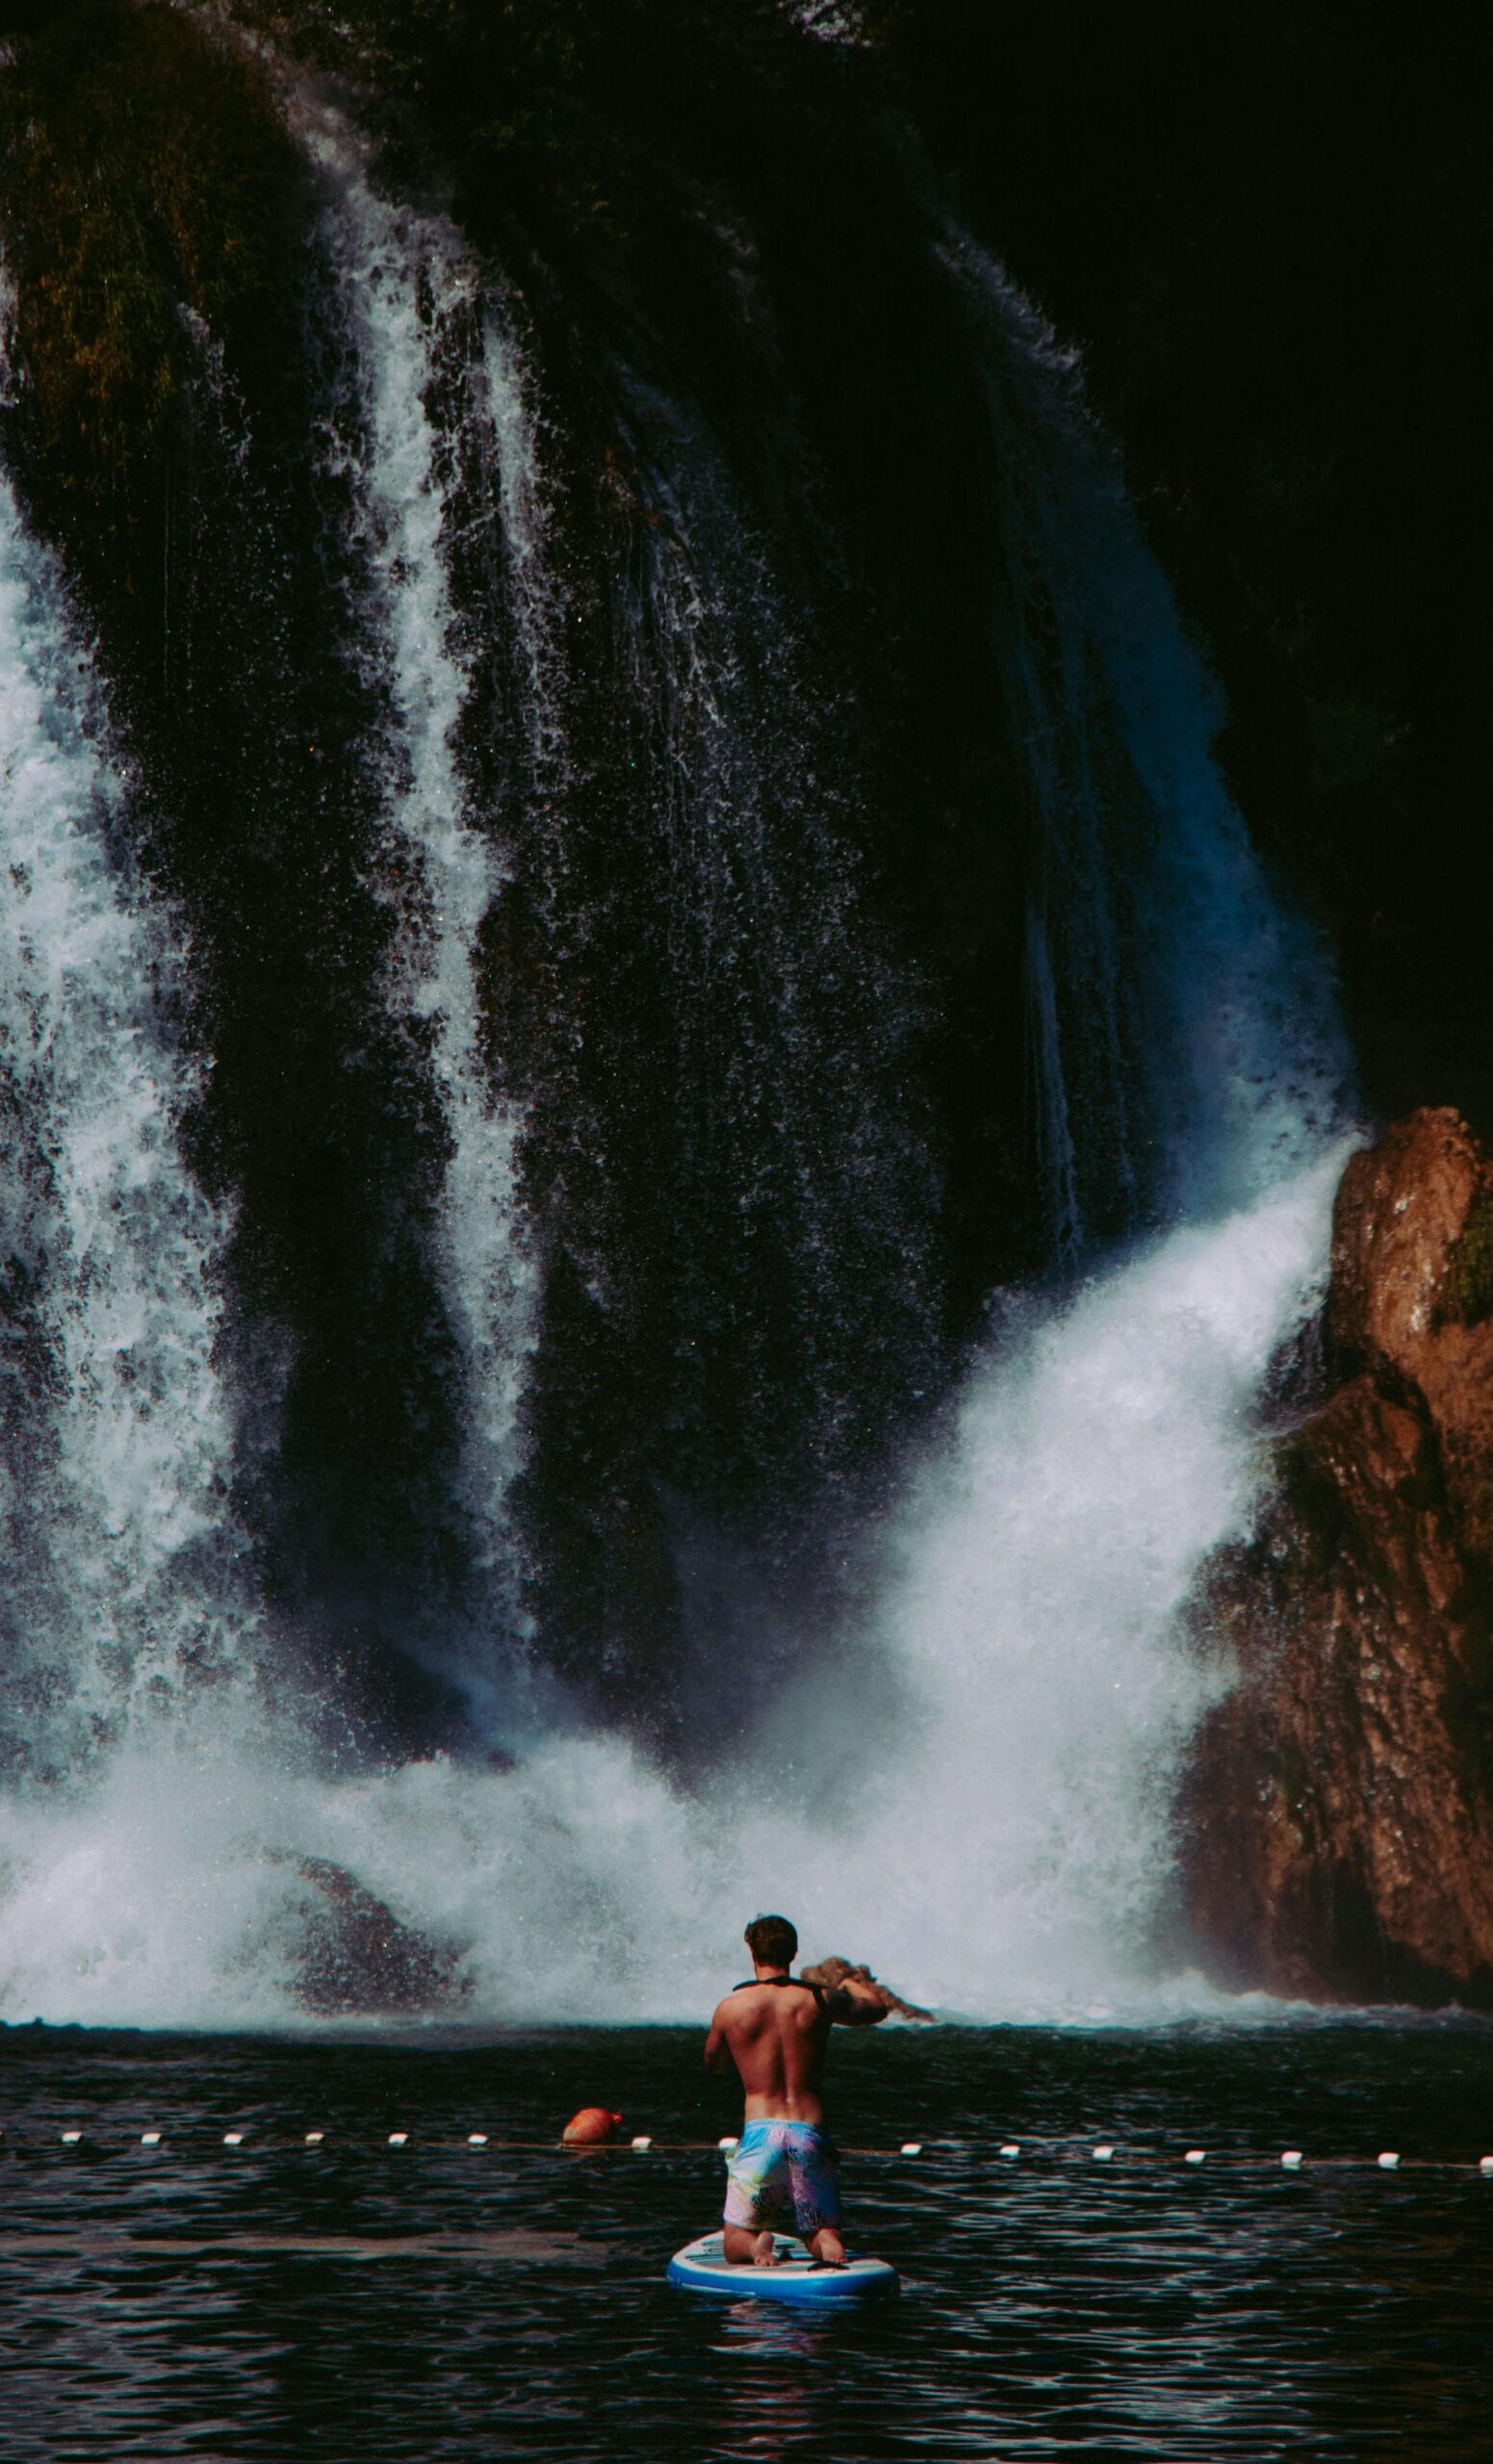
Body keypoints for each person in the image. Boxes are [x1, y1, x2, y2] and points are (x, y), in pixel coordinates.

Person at [704, 1912, 888, 2268]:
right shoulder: (819, 2001)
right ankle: (830, 2245)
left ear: (752, 1953)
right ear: (794, 1952)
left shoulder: (730, 2008)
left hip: (761, 2133)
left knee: (733, 2244)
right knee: (821, 2230)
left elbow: (714, 2064)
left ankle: (755, 2246)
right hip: (809, 2131)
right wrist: (849, 1979)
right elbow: (875, 2009)